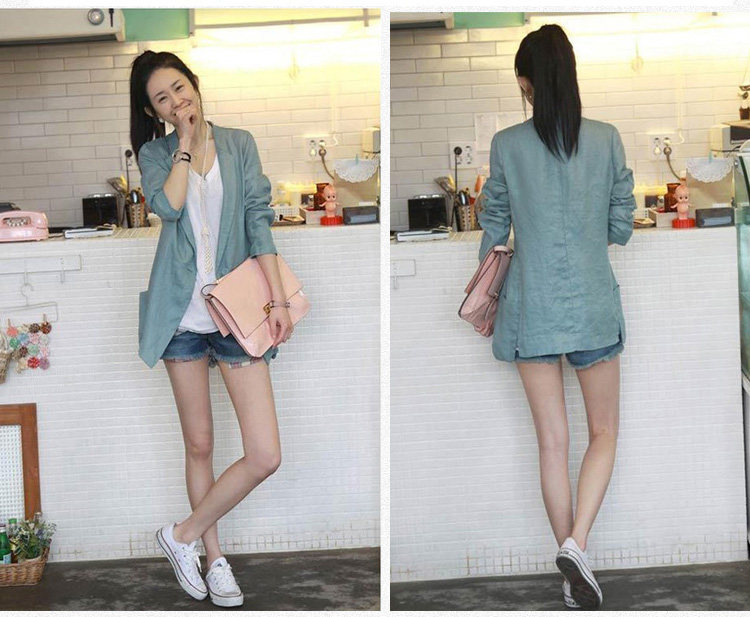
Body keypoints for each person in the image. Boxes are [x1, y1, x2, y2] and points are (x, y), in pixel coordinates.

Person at [476, 24, 635, 610]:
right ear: (570, 75)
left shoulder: (507, 145)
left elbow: (494, 228)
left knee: (551, 442)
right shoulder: (607, 139)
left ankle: (571, 568)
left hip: (530, 306)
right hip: (592, 303)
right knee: (603, 433)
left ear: (526, 83)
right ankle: (578, 544)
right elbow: (622, 224)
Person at [129, 51, 294, 607]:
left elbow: (258, 221)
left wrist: (276, 299)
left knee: (265, 453)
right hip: (181, 319)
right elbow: (169, 208)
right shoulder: (155, 155)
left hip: (236, 313)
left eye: (180, 88)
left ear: (195, 85)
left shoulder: (239, 144)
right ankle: (214, 558)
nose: (177, 101)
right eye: (162, 98)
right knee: (199, 444)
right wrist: (182, 143)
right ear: (153, 111)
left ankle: (181, 536)